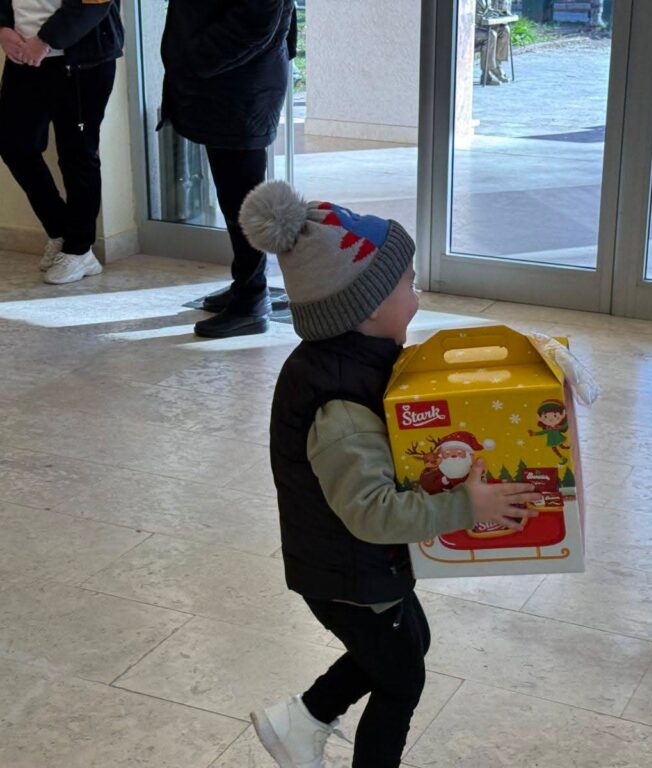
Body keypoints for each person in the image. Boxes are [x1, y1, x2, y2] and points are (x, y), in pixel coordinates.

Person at [239, 180, 543, 768]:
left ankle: (301, 719)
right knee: (401, 680)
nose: (417, 295)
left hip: (356, 565)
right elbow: (372, 512)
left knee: (409, 644)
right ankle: (312, 728)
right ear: (371, 306)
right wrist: (468, 507)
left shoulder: (352, 363)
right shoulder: (340, 405)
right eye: (408, 282)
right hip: (346, 573)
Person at [160, 0, 297, 339]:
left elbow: (257, 19)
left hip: (240, 87)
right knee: (234, 196)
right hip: (230, 85)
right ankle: (246, 284)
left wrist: (193, 58)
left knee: (243, 200)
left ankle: (252, 300)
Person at [0, 0, 123, 285]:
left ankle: (79, 249)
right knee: (14, 145)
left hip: (83, 62)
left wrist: (46, 40)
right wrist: (2, 28)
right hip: (23, 58)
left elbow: (92, 5)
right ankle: (61, 231)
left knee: (77, 154)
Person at [476, 0, 512, 84]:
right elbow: (469, 16)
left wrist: (499, 13)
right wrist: (486, 17)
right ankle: (486, 74)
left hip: (483, 27)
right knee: (491, 35)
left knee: (504, 30)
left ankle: (496, 65)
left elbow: (489, 9)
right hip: (470, 31)